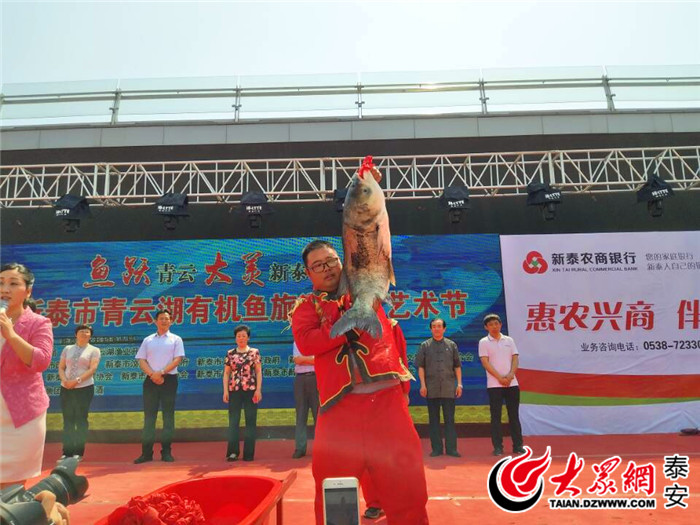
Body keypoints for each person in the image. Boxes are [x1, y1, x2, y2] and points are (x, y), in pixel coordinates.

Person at [291, 240, 428, 525]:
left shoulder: (366, 290)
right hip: (339, 409)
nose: (327, 268)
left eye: (331, 261)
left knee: (406, 485)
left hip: (387, 404)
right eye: (318, 265)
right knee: (334, 490)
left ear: (341, 261)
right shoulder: (306, 306)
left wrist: (404, 391)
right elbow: (307, 342)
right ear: (308, 273)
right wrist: (348, 329)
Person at [0, 263, 54, 489]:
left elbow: (41, 361)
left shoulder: (38, 323)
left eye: (13, 284)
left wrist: (11, 335)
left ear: (28, 291)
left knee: (10, 491)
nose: (5, 289)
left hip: (21, 416)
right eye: (1, 283)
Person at [133, 309, 185, 464]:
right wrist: (152, 374)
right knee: (149, 418)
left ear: (171, 322)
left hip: (169, 380)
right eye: (161, 318)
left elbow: (177, 359)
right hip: (151, 381)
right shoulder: (148, 340)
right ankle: (146, 453)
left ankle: (166, 452)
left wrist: (161, 372)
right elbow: (141, 360)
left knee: (168, 417)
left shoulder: (176, 339)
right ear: (155, 321)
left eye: (167, 318)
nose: (164, 321)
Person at [478, 313, 525, 456]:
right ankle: (498, 447)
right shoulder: (484, 342)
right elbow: (485, 363)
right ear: (486, 327)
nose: (494, 326)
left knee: (514, 415)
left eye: (496, 323)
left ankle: (518, 446)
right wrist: (499, 378)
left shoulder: (509, 340)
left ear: (500, 325)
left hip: (512, 384)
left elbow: (515, 358)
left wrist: (510, 375)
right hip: (494, 385)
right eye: (490, 324)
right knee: (496, 417)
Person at [415, 318, 463, 458]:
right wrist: (423, 385)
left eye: (439, 326)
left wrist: (459, 384)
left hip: (449, 387)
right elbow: (421, 367)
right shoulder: (425, 345)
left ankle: (451, 449)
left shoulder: (451, 345)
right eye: (434, 326)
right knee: (434, 420)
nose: (437, 328)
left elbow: (457, 366)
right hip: (431, 388)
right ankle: (436, 449)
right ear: (431, 329)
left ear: (444, 329)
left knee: (449, 420)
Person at [58, 324, 101, 461]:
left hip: (84, 388)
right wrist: (65, 380)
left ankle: (79, 452)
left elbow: (92, 369)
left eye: (87, 332)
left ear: (90, 336)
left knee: (81, 420)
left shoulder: (94, 350)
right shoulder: (67, 348)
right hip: (66, 388)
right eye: (81, 331)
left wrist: (76, 381)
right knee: (68, 420)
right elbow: (61, 367)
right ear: (75, 334)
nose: (84, 333)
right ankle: (67, 452)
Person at [223, 324, 262, 462]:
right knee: (233, 421)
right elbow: (226, 373)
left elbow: (258, 372)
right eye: (238, 336)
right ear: (235, 338)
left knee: (250, 421)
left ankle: (249, 453)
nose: (241, 338)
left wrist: (258, 390)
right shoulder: (230, 353)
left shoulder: (254, 352)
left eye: (244, 336)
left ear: (248, 337)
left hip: (250, 390)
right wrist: (225, 391)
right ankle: (233, 452)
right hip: (234, 391)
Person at [291, 341, 319, 459]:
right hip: (300, 379)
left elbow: (319, 360)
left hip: (316, 378)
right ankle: (300, 448)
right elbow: (297, 360)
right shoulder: (297, 341)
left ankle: (320, 448)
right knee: (301, 414)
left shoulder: (318, 341)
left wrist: (304, 359)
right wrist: (311, 359)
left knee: (318, 414)